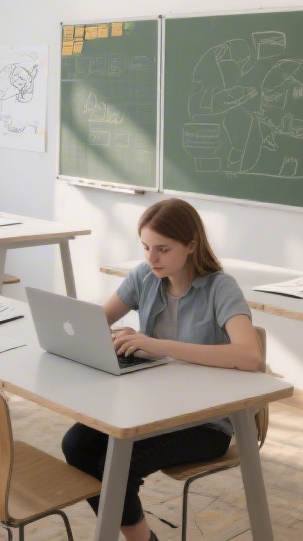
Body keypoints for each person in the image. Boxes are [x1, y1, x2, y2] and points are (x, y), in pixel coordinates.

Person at [61, 198, 263, 541]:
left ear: (191, 245)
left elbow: (249, 356)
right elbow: (94, 323)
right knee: (76, 444)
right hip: (154, 407)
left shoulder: (220, 287)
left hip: (206, 421)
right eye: (145, 247)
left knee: (116, 464)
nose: (151, 258)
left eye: (163, 249)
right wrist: (111, 337)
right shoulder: (145, 276)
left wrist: (157, 345)